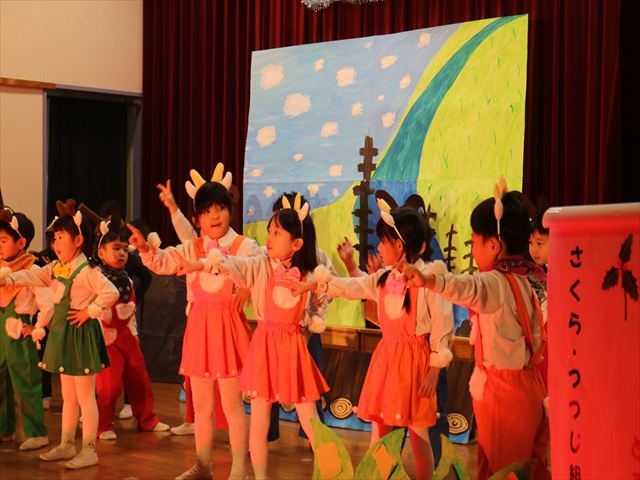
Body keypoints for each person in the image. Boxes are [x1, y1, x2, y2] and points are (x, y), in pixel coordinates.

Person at [291, 203, 454, 480]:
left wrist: (434, 368)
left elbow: (442, 323)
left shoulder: (427, 280)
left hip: (415, 363)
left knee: (418, 433)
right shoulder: (382, 278)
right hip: (387, 360)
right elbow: (352, 287)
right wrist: (313, 285)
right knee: (380, 430)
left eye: (383, 241)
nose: (378, 247)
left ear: (400, 246)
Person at [400, 179, 549, 480]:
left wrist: (429, 280)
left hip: (504, 394)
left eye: (475, 242)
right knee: (523, 467)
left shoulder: (495, 282)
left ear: (494, 245)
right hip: (530, 387)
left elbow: (466, 286)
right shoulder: (530, 278)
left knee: (503, 470)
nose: (474, 249)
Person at [181, 193, 329, 480]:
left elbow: (327, 291)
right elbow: (233, 264)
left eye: (276, 233)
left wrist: (311, 321)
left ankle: (329, 472)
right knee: (259, 421)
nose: (269, 239)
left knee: (310, 418)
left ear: (297, 243)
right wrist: (201, 265)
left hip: (293, 349)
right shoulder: (261, 263)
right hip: (264, 347)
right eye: (269, 232)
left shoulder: (310, 270)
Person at [130, 164, 260, 480]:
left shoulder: (245, 246)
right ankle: (203, 465)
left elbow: (259, 270)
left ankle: (240, 469)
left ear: (230, 210)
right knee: (201, 407)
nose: (214, 216)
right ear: (197, 218)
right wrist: (145, 249)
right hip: (200, 330)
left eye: (220, 209)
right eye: (206, 211)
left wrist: (247, 285)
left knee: (232, 406)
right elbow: (163, 262)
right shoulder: (192, 246)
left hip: (229, 331)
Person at [0, 212, 119, 469]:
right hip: (64, 334)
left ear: (78, 240)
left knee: (85, 397)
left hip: (80, 336)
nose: (56, 243)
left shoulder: (86, 270)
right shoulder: (56, 267)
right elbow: (33, 276)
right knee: (69, 396)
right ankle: (67, 444)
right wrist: (9, 278)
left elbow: (111, 292)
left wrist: (90, 311)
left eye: (61, 237)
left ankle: (89, 449)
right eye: (54, 238)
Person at [93, 221, 169, 440]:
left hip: (127, 336)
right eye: (116, 248)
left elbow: (131, 310)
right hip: (106, 339)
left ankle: (147, 420)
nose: (121, 253)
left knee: (140, 380)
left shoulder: (126, 278)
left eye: (125, 249)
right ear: (101, 252)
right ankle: (103, 426)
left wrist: (133, 334)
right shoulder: (94, 276)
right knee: (109, 386)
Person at [0, 209, 52, 451]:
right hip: (1, 329)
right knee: (1, 380)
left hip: (20, 330)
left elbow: (47, 303)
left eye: (3, 240)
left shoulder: (32, 268)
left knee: (25, 380)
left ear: (21, 243)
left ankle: (37, 432)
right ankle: (4, 428)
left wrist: (37, 326)